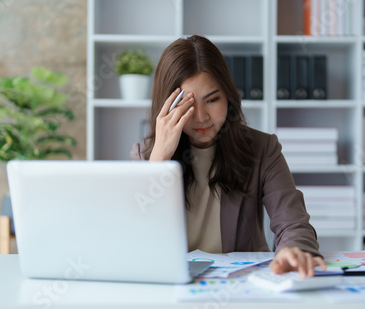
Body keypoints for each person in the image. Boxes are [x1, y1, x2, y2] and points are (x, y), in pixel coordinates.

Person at [131, 35, 326, 278]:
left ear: (229, 98)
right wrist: (159, 159)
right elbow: (133, 240)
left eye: (212, 100)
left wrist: (294, 251)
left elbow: (293, 223)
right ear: (167, 107)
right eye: (188, 105)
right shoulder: (147, 156)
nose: (201, 117)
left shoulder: (262, 149)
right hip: (173, 284)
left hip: (242, 284)